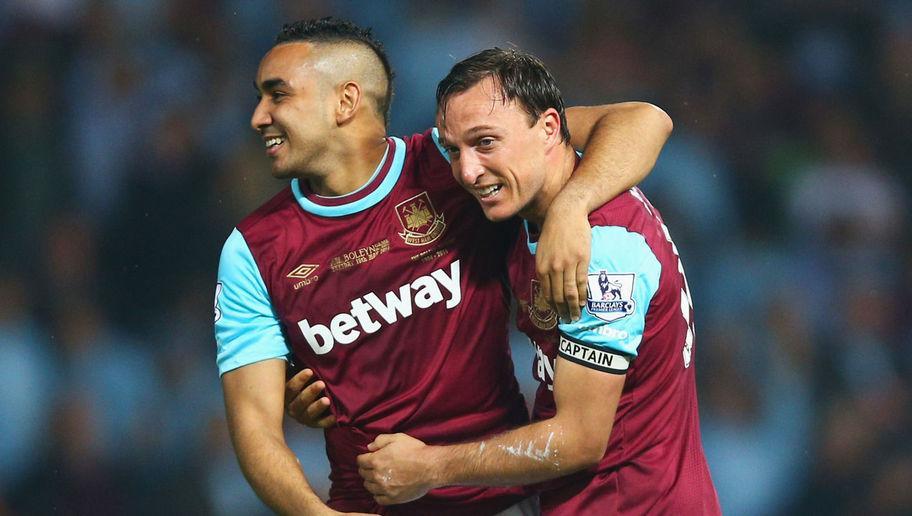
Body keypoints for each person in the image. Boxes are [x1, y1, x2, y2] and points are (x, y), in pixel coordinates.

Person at [216, 18, 672, 515]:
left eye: (277, 95)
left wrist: (571, 206)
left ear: (344, 101)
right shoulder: (252, 251)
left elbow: (640, 120)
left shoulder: (456, 161)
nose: (259, 116)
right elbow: (254, 428)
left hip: (497, 499)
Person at [354, 48, 721, 515]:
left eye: (485, 143)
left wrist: (431, 468)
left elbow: (580, 440)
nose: (466, 171)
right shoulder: (552, 190)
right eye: (454, 149)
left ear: (550, 128)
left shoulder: (602, 254)